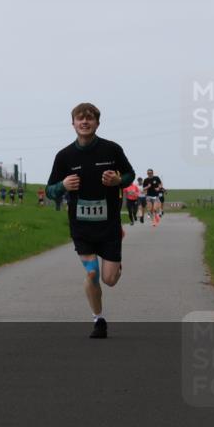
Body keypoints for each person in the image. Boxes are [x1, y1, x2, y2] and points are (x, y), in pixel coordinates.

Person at [45, 103, 134, 339]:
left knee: (109, 280)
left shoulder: (112, 149)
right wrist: (62, 186)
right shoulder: (64, 156)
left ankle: (115, 268)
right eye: (79, 119)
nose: (84, 122)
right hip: (81, 226)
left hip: (109, 226)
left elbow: (129, 175)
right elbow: (50, 190)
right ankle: (98, 319)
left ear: (97, 123)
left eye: (90, 119)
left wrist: (117, 181)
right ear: (73, 123)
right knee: (92, 274)